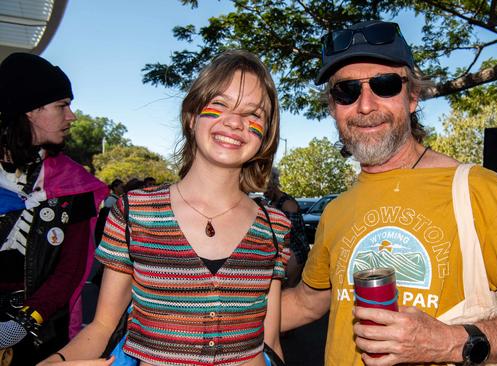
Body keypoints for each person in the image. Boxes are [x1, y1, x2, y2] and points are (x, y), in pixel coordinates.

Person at [280, 20, 497, 366]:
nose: (366, 105)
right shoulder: (337, 210)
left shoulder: (482, 190)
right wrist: (209, 313)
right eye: (347, 91)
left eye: (385, 85)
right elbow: (307, 302)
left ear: (413, 96)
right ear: (333, 107)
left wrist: (449, 342)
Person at [38, 50, 290, 366]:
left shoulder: (274, 226)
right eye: (221, 104)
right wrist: (54, 360)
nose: (236, 122)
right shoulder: (134, 214)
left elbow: (271, 342)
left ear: (265, 133)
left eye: (254, 114)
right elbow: (102, 327)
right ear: (192, 115)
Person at [0, 53, 107, 365]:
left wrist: (23, 323)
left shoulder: (74, 183)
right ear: (31, 110)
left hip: (40, 335)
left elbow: (71, 271)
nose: (71, 116)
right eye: (62, 105)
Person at [264, 167, 309, 287]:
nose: (264, 193)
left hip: (296, 252)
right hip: (287, 251)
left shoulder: (287, 204)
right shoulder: (273, 202)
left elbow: (289, 234)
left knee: (288, 288)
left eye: (266, 189)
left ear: (273, 185)